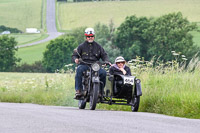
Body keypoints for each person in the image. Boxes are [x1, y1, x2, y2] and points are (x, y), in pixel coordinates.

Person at [72, 27, 110, 97]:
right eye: (88, 36)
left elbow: (104, 55)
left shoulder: (98, 46)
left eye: (91, 36)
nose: (90, 38)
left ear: (94, 37)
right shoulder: (81, 46)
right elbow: (75, 55)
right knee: (79, 70)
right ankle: (78, 90)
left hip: (95, 66)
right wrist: (76, 59)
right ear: (86, 37)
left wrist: (106, 61)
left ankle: (101, 91)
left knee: (103, 73)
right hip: (84, 65)